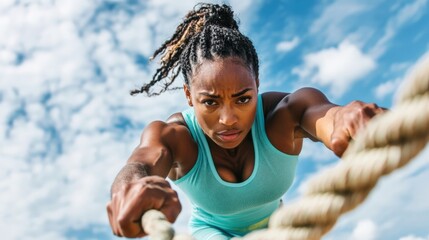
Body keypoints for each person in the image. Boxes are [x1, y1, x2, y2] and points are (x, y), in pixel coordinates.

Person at [106, 3, 385, 240]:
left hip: (277, 226)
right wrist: (131, 187)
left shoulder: (282, 116)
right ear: (189, 96)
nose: (228, 119)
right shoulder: (176, 137)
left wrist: (342, 117)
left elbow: (322, 114)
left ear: (257, 85)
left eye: (243, 99)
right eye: (210, 102)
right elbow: (140, 164)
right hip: (210, 231)